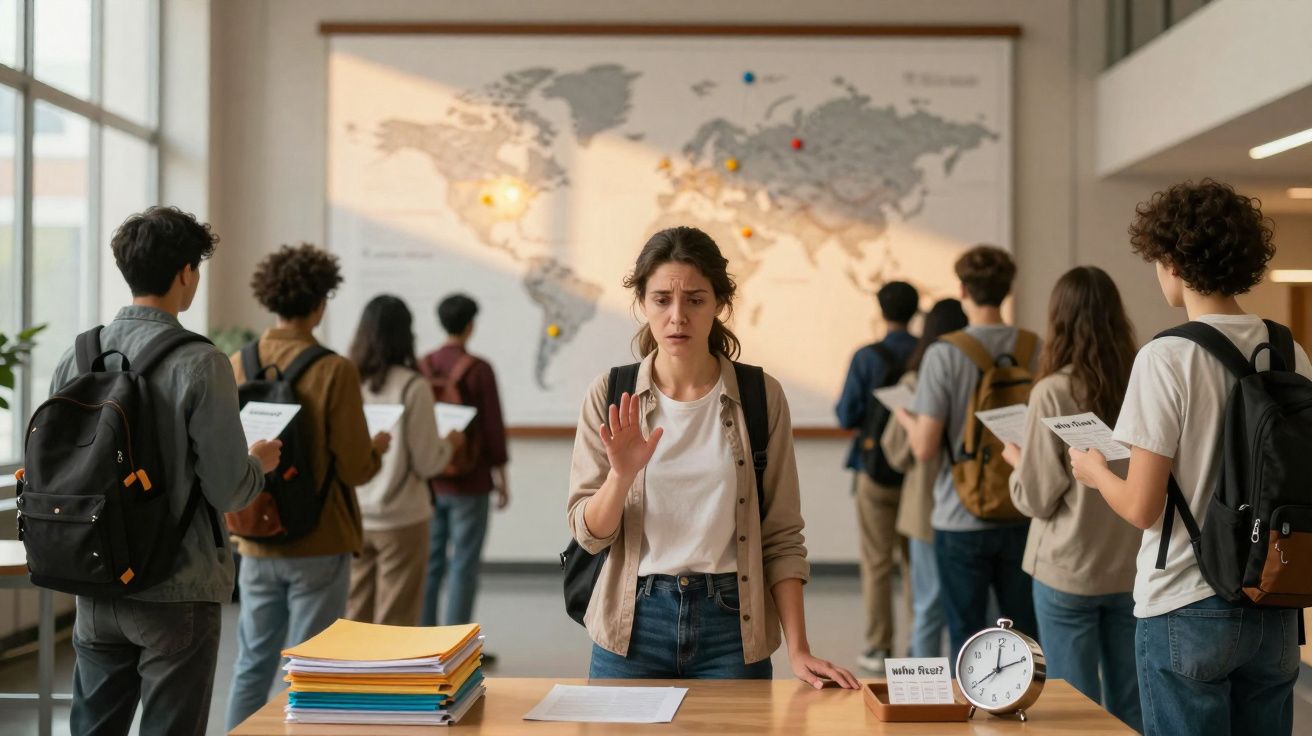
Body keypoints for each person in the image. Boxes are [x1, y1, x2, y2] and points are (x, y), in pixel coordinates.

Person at [567, 226, 860, 688]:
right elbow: (589, 534)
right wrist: (621, 477)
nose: (677, 316)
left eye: (696, 300)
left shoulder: (761, 397)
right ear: (642, 303)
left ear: (720, 304)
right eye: (662, 299)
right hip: (632, 626)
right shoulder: (609, 394)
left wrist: (799, 649)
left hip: (732, 624)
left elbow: (782, 535)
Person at [1072, 180, 1310, 736]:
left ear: (1173, 263)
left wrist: (1095, 472)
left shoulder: (1165, 357)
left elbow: (1141, 506)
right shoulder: (1288, 349)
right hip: (1275, 598)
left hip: (1186, 603)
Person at [51, 206, 280, 736]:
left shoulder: (78, 355)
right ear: (185, 273)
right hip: (177, 585)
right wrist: (259, 466)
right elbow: (227, 489)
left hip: (94, 578)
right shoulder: (200, 362)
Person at [225, 244, 391, 729]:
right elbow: (357, 468)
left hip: (255, 536)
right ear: (321, 303)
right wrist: (377, 446)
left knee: (251, 663)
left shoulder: (239, 362)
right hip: (321, 540)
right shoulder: (333, 369)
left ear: (269, 300)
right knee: (312, 670)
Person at [1002, 266, 1141, 731]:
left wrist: (1017, 463)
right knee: (1130, 700)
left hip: (1068, 569)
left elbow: (1035, 499)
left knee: (1075, 707)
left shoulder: (1053, 390)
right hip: (1130, 566)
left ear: (1058, 320)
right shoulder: (1141, 382)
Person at [894, 245, 1039, 662]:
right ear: (1008, 288)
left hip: (959, 516)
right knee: (1022, 632)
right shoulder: (1034, 348)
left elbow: (923, 449)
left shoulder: (944, 354)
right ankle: (1020, 711)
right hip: (1021, 507)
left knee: (967, 631)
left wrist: (907, 420)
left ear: (962, 289)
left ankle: (971, 714)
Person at [347, 295, 458, 626]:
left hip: (355, 514)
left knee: (356, 616)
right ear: (406, 334)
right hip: (402, 518)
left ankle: (355, 677)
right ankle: (389, 679)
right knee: (395, 620)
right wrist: (449, 444)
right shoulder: (412, 386)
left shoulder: (348, 380)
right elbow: (427, 462)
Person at [835, 280, 919, 672]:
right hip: (918, 474)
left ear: (881, 311)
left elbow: (846, 414)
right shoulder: (927, 353)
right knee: (917, 563)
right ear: (915, 311)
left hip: (873, 472)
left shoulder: (867, 356)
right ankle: (921, 644)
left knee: (876, 562)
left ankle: (878, 646)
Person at [880, 298, 967, 659]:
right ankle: (967, 683)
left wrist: (905, 420)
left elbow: (898, 454)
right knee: (974, 607)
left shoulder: (915, 381)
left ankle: (923, 692)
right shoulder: (976, 371)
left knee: (928, 605)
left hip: (925, 508)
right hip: (972, 504)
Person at [419, 294, 510, 637]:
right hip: (471, 482)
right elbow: (492, 427)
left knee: (430, 564)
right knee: (463, 566)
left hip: (429, 481)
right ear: (471, 324)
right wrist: (501, 476)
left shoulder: (422, 365)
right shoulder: (479, 368)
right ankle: (455, 646)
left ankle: (423, 644)